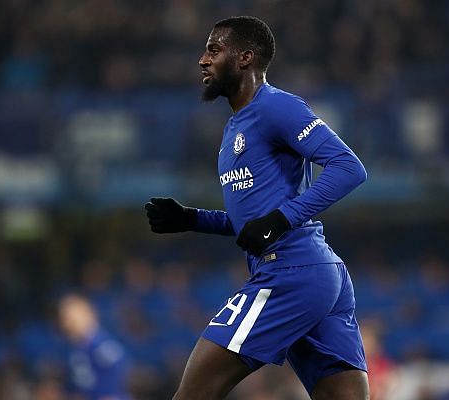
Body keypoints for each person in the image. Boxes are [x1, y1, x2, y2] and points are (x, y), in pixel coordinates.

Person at [145, 16, 369, 400]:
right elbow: (253, 223)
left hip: (289, 271)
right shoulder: (236, 126)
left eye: (214, 50)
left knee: (195, 391)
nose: (202, 60)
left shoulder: (276, 107)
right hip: (315, 274)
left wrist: (281, 221)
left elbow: (349, 168)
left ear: (245, 58)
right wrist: (192, 219)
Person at [58, 293, 131, 400]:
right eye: (66, 319)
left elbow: (120, 367)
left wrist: (110, 394)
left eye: (73, 318)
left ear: (88, 315)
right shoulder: (74, 348)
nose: (69, 324)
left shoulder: (100, 344)